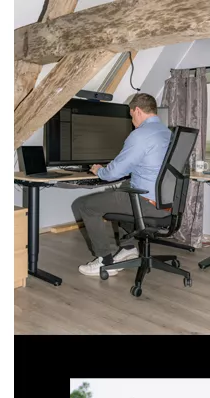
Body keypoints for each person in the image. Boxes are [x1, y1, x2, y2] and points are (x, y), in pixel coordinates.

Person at [71, 92, 172, 277]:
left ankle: (104, 261)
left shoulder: (140, 135)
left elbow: (113, 174)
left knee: (83, 205)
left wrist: (99, 170)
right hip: (166, 203)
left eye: (131, 114)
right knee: (121, 191)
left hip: (146, 203)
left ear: (138, 111)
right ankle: (127, 248)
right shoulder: (167, 133)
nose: (132, 119)